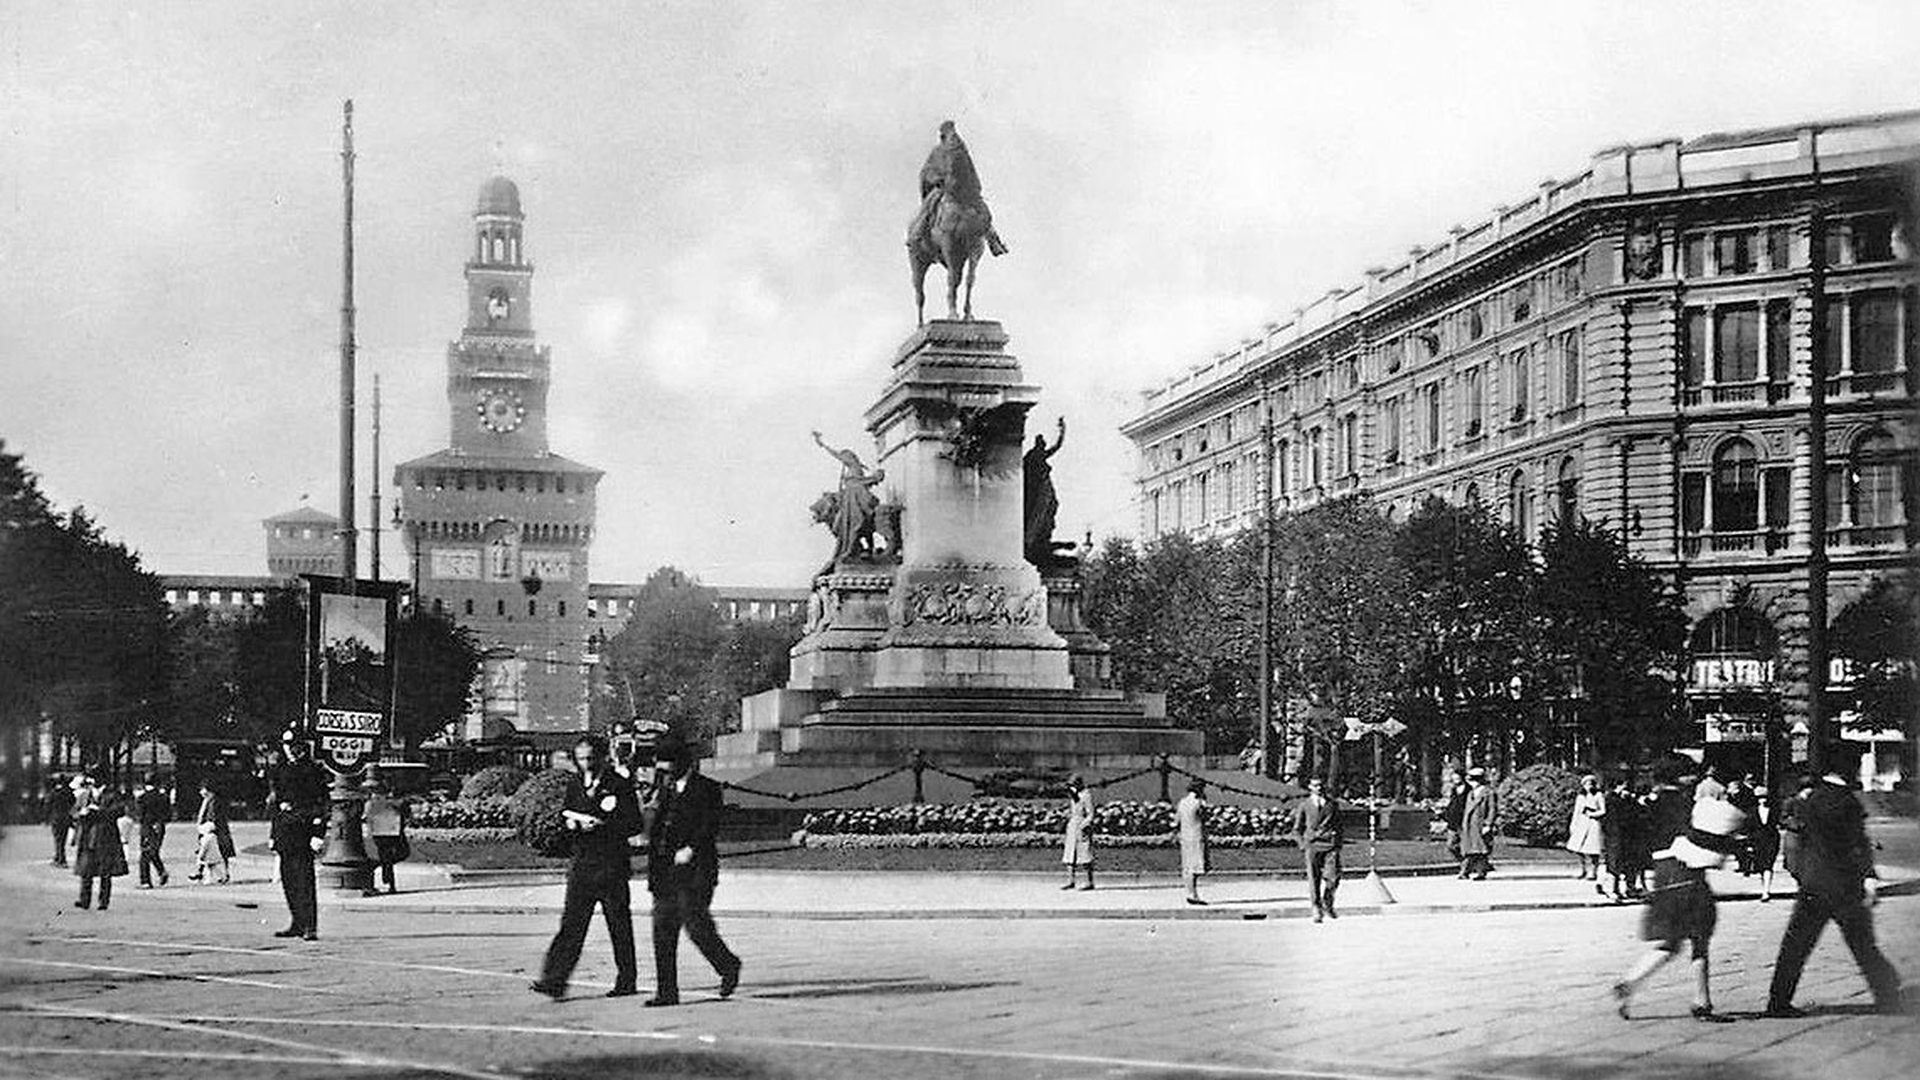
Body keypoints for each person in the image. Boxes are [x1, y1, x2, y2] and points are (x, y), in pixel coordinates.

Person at [1765, 744, 1903, 1017]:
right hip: (1845, 885)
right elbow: (1858, 845)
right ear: (1847, 770)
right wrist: (1869, 877)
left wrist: (1800, 874)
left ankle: (1778, 1002)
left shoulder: (1807, 800)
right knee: (1862, 944)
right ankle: (1887, 993)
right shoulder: (1847, 802)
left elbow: (1795, 842)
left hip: (1813, 884)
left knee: (1795, 945)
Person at [1612, 756, 1745, 1022]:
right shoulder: (1682, 802)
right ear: (1676, 776)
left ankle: (1630, 982)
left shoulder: (1651, 802)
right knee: (1699, 938)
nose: (1693, 778)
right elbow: (1698, 837)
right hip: (1685, 870)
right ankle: (1701, 1002)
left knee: (1672, 941)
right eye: (1688, 774)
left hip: (1662, 873)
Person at [531, 734, 644, 1000]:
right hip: (582, 864)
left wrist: (606, 826)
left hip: (611, 864)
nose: (586, 764)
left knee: (618, 925)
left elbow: (634, 823)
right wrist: (572, 824)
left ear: (603, 757)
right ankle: (554, 979)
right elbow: (567, 812)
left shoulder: (619, 784)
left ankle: (627, 979)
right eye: (581, 759)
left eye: (591, 758)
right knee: (571, 925)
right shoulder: (574, 784)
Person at [643, 733, 741, 1007]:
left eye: (667, 765)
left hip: (695, 871)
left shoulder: (707, 789)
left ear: (682, 762)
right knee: (663, 929)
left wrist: (691, 849)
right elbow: (658, 828)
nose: (663, 771)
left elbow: (709, 826)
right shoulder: (665, 789)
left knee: (696, 925)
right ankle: (666, 992)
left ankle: (728, 965)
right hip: (665, 872)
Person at [909, 120, 1008, 256]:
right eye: (948, 135)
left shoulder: (961, 152)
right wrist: (937, 179)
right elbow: (927, 171)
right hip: (943, 190)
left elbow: (970, 172)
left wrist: (971, 187)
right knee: (930, 206)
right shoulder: (937, 152)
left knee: (983, 211)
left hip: (964, 191)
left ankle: (994, 240)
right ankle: (918, 234)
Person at [268, 732, 330, 940]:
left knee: (304, 880)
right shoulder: (281, 770)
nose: (288, 748)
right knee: (289, 881)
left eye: (292, 744)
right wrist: (273, 834)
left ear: (300, 746)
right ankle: (296, 921)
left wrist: (317, 833)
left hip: (303, 831)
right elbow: (276, 805)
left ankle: (309, 925)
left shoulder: (312, 770)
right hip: (286, 832)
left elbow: (321, 804)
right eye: (286, 744)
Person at [1292, 775, 1343, 922]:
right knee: (1314, 878)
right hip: (1312, 845)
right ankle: (1316, 907)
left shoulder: (1332, 804)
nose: (1319, 788)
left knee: (1333, 877)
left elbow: (1339, 826)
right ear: (1310, 787)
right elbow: (1296, 830)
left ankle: (1328, 901)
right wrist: (1303, 845)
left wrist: (1338, 843)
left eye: (1320, 785)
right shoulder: (1304, 805)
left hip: (1330, 845)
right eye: (1315, 785)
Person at [72, 782, 128, 911]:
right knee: (86, 869)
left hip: (106, 835)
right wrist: (83, 813)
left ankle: (103, 901)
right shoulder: (87, 793)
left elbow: (119, 811)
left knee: (105, 870)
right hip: (89, 835)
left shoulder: (112, 793)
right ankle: (84, 899)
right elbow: (76, 809)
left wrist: (98, 812)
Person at [1022, 417, 1066, 564]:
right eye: (1042, 443)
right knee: (1041, 512)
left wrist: (1062, 430)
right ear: (1037, 444)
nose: (1044, 445)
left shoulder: (1037, 455)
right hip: (1039, 490)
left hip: (1044, 488)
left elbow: (1057, 446)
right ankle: (1034, 539)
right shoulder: (1033, 456)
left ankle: (1041, 536)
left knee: (1051, 507)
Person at [362, 775, 410, 896]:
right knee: (392, 856)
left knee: (394, 856)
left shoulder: (383, 801)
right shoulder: (379, 802)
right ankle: (391, 885)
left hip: (391, 831)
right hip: (386, 831)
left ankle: (377, 866)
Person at [1601, 774, 1640, 902]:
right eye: (1624, 786)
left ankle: (1626, 889)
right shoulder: (1611, 799)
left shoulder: (1626, 800)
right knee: (1614, 863)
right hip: (1614, 836)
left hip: (1626, 836)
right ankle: (1611, 890)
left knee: (1625, 863)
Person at [189, 779, 232, 884]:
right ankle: (210, 874)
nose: (200, 792)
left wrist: (204, 828)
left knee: (211, 854)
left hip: (213, 832)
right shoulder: (209, 800)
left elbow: (213, 818)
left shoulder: (213, 801)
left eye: (202, 790)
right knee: (210, 855)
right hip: (209, 831)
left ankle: (219, 875)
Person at [1566, 774, 1606, 887]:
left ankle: (1593, 871)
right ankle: (1583, 869)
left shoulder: (1598, 796)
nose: (1588, 787)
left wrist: (1592, 814)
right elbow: (1576, 812)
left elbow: (1603, 810)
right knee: (1579, 848)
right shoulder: (1581, 797)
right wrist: (1573, 824)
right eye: (1586, 784)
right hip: (1581, 824)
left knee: (1593, 849)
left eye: (1590, 784)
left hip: (1593, 824)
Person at [1459, 767, 1498, 880]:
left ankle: (1480, 872)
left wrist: (1488, 824)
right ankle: (1465, 871)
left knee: (1480, 850)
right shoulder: (1470, 793)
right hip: (1470, 824)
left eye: (1473, 780)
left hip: (1480, 824)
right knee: (1469, 849)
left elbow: (1492, 809)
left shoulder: (1488, 792)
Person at [134, 773, 171, 888]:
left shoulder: (142, 797)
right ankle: (161, 872)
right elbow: (168, 814)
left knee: (145, 853)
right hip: (159, 827)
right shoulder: (163, 797)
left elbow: (139, 814)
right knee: (153, 852)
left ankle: (145, 880)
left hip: (147, 827)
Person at [1176, 778, 1209, 906]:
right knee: (1195, 866)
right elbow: (1205, 818)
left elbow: (1176, 820)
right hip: (1197, 836)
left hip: (1185, 836)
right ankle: (1193, 894)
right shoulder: (1199, 803)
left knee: (1187, 866)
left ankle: (1190, 892)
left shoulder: (1182, 802)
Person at [1060, 775, 1096, 891]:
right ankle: (1071, 881)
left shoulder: (1086, 795)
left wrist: (1084, 825)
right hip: (1073, 826)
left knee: (1085, 854)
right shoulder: (1074, 794)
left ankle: (1089, 882)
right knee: (1070, 854)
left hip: (1082, 826)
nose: (1072, 787)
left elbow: (1090, 814)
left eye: (1074, 784)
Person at [1748, 784, 1781, 902]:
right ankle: (1764, 888)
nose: (1763, 800)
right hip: (1758, 841)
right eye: (1760, 798)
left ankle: (1766, 891)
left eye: (1765, 797)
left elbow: (1778, 823)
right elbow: (1749, 829)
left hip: (1771, 840)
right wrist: (1750, 844)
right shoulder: (1752, 812)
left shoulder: (1774, 810)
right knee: (1761, 866)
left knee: (1768, 865)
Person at [1440, 767, 1469, 871]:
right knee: (1451, 845)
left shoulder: (1468, 790)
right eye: (1454, 778)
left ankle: (1465, 869)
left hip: (1464, 821)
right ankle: (1464, 862)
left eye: (1458, 778)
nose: (1455, 780)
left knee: (1465, 846)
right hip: (1453, 822)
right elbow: (1452, 804)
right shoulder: (1453, 790)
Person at [47, 774, 74, 867]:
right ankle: (58, 857)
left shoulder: (54, 792)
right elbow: (73, 802)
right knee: (62, 839)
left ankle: (61, 859)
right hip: (66, 817)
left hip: (56, 817)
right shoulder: (69, 792)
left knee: (57, 839)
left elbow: (48, 804)